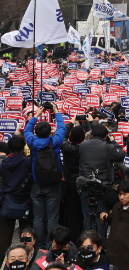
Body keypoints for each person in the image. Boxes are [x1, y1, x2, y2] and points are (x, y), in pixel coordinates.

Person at [24, 103, 66, 248]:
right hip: (53, 183)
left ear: (36, 132)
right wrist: (56, 111)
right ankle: (51, 245)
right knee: (53, 217)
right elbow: (61, 128)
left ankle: (39, 245)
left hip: (37, 183)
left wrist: (35, 115)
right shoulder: (55, 142)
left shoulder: (32, 142)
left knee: (38, 217)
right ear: (50, 132)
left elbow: (27, 129)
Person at [79, 124, 125, 224]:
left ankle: (87, 238)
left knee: (86, 217)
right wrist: (113, 141)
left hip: (85, 186)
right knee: (102, 218)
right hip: (102, 187)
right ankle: (100, 239)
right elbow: (121, 155)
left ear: (92, 135)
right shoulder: (109, 146)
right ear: (106, 135)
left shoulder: (82, 145)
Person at [0, 135, 32, 257]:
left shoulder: (3, 164)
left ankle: (3, 263)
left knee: (4, 237)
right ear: (24, 147)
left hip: (7, 202)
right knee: (26, 235)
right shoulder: (28, 162)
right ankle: (25, 259)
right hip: (25, 202)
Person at [61, 117, 87, 242]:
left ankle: (74, 240)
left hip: (70, 184)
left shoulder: (67, 147)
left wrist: (70, 123)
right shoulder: (87, 148)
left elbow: (63, 136)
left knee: (72, 214)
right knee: (84, 212)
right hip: (83, 183)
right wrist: (88, 122)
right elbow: (93, 135)